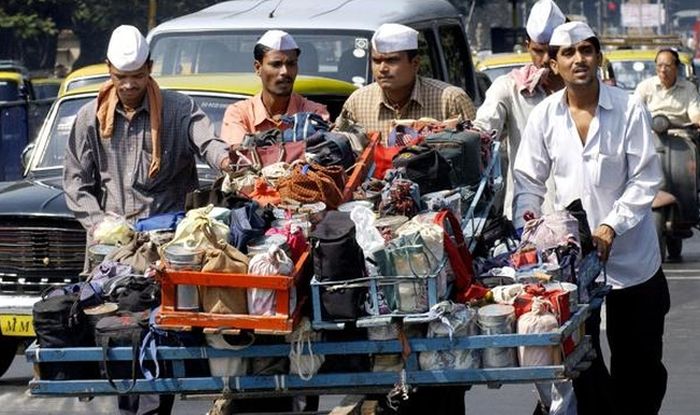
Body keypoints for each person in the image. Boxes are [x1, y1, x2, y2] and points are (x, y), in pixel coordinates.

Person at [63, 25, 232, 415]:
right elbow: (75, 184)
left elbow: (208, 142)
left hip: (168, 251)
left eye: (137, 76)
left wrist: (227, 159)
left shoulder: (178, 109)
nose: (129, 85)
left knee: (163, 341)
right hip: (113, 254)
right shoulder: (89, 119)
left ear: (150, 69)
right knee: (122, 339)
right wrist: (100, 222)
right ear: (109, 71)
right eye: (121, 77)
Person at [513, 22, 669, 415]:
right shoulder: (546, 115)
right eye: (568, 53)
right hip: (574, 263)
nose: (578, 59)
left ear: (598, 57)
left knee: (640, 363)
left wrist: (611, 224)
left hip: (632, 261)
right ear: (554, 64)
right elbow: (527, 180)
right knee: (579, 363)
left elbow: (646, 177)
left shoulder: (629, 107)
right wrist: (530, 231)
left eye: (586, 50)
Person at [474, 0, 565, 220]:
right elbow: (483, 130)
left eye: (552, 52)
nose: (545, 61)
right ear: (527, 47)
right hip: (529, 216)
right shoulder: (509, 88)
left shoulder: (586, 92)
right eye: (537, 51)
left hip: (583, 214)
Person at [335, 23, 476, 141]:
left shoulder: (450, 100)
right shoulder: (358, 102)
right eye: (376, 61)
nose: (382, 69)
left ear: (415, 63)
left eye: (392, 60)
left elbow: (479, 152)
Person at [220, 30, 330, 145]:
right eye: (276, 64)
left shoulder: (315, 113)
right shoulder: (240, 114)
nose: (285, 72)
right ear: (258, 68)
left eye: (291, 64)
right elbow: (239, 157)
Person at [633, 48, 700, 126]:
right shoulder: (644, 87)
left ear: (676, 68)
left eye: (667, 66)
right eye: (659, 65)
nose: (663, 70)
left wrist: (697, 122)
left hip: (680, 134)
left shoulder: (689, 88)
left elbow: (695, 114)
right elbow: (635, 113)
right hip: (651, 133)